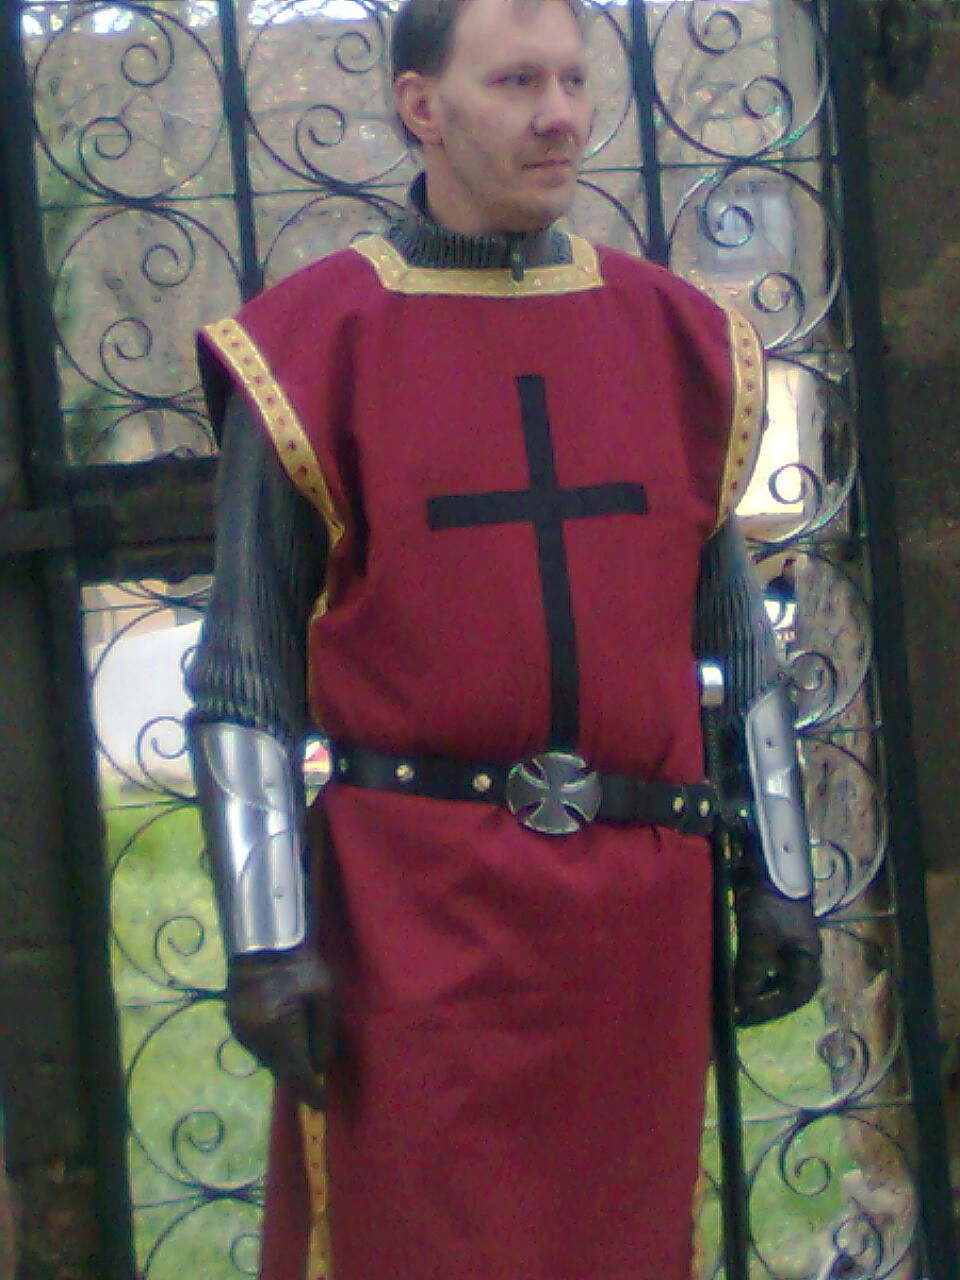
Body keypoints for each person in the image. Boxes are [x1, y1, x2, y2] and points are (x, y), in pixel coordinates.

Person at [186, 0, 822, 1275]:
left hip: (635, 921)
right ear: (422, 105)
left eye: (575, 80)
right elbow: (245, 675)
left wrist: (781, 873)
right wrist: (266, 940)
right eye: (516, 80)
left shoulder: (677, 340)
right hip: (414, 914)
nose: (561, 114)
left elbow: (736, 648)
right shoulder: (318, 348)